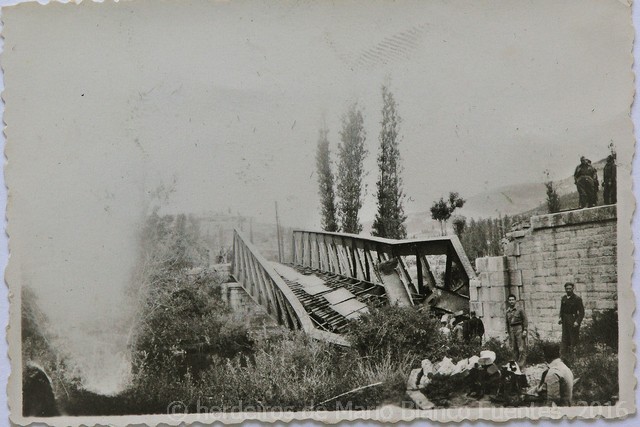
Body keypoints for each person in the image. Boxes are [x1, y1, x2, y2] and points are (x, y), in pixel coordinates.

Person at [558, 282, 584, 355]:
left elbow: (582, 312)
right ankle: (564, 355)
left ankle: (574, 356)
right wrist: (560, 318)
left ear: (573, 289)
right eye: (567, 289)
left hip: (573, 320)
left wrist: (577, 321)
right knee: (565, 338)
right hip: (565, 320)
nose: (568, 290)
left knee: (573, 338)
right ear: (565, 289)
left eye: (570, 288)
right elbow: (562, 309)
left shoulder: (577, 299)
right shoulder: (564, 298)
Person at [506, 294, 528, 367]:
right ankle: (515, 365)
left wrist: (525, 330)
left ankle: (521, 365)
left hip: (519, 328)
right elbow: (507, 323)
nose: (511, 301)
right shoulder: (508, 311)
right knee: (513, 348)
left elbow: (525, 320)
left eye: (513, 300)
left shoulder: (520, 309)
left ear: (515, 301)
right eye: (510, 300)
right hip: (511, 330)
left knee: (521, 348)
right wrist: (507, 332)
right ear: (508, 301)